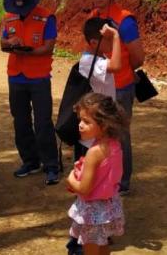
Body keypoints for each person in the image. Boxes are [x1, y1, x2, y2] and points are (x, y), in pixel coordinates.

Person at [79, 0, 145, 195]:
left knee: (120, 134)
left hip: (121, 85)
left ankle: (122, 182)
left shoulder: (125, 20)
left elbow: (138, 57)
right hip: (100, 86)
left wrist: (125, 71)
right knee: (102, 132)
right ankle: (107, 175)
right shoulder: (92, 19)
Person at [0, 0, 61, 185]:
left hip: (39, 77)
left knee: (43, 122)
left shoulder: (46, 17)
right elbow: (2, 44)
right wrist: (11, 44)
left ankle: (51, 165)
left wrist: (29, 51)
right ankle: (30, 161)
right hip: (16, 76)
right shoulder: (8, 17)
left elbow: (48, 47)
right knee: (20, 121)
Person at [65, 93, 128, 255]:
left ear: (105, 124)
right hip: (108, 206)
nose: (80, 125)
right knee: (103, 244)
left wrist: (71, 177)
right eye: (80, 119)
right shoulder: (114, 144)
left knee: (91, 248)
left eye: (86, 121)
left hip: (92, 211)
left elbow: (84, 189)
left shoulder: (94, 151)